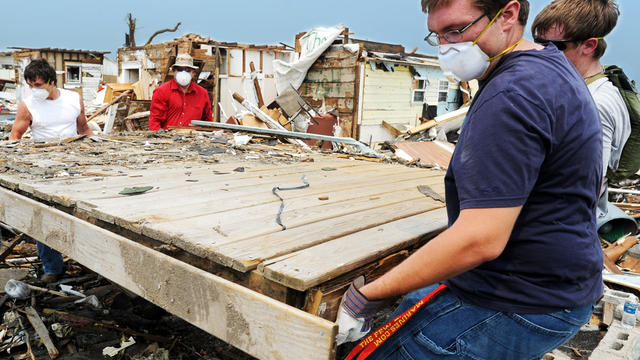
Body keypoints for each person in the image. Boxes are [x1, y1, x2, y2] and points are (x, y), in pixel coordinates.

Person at [336, 0, 604, 359]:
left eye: (457, 30)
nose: (448, 46)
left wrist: (368, 296)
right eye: (438, 34)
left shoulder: (513, 93)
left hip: (522, 299)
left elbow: (480, 240)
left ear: (508, 15)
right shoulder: (547, 66)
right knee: (413, 302)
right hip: (558, 284)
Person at [532, 0, 635, 238]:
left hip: (563, 229)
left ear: (589, 46)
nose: (543, 53)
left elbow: (588, 185)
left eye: (554, 46)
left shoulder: (596, 103)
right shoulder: (587, 90)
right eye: (540, 44)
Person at [9, 58, 94, 283]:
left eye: (38, 85)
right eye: (30, 85)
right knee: (44, 217)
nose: (34, 90)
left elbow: (84, 128)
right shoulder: (27, 105)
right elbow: (15, 137)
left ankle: (90, 258)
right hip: (43, 167)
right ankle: (52, 267)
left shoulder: (73, 99)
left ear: (52, 82)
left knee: (84, 213)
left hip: (76, 163)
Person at [149, 53, 212, 130]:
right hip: (168, 139)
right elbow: (155, 121)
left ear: (193, 72)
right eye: (179, 69)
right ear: (174, 71)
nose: (183, 73)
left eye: (188, 70)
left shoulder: (202, 93)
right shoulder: (162, 91)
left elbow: (208, 122)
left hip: (194, 139)